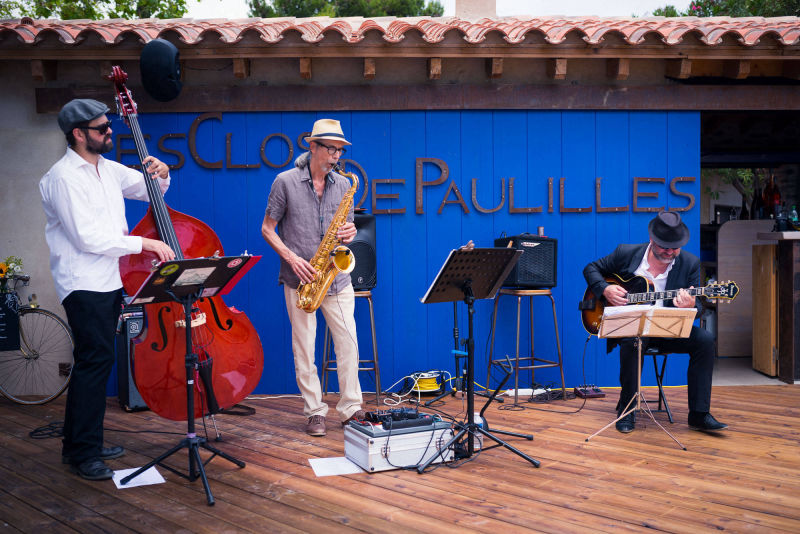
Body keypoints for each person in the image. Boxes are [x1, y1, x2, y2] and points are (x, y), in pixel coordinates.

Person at [40, 99, 175, 480]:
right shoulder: (62, 178)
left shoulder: (107, 169)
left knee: (95, 362)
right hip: (82, 283)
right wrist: (143, 244)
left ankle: (80, 442)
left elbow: (150, 191)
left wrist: (161, 174)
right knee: (94, 362)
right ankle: (84, 453)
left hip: (108, 280)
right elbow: (86, 238)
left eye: (108, 126)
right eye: (101, 129)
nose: (109, 132)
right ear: (78, 135)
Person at [261, 119, 366, 437]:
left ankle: (350, 408)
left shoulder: (345, 185)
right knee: (304, 348)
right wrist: (292, 258)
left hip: (336, 278)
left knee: (348, 343)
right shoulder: (285, 182)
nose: (336, 156)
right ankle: (315, 411)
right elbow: (267, 229)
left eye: (340, 150)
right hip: (300, 279)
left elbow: (346, 229)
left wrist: (351, 231)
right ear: (313, 146)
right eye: (331, 149)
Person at [583, 210, 727, 434]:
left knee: (705, 340)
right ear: (652, 240)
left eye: (675, 247)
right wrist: (606, 290)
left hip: (667, 329)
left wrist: (690, 306)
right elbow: (591, 269)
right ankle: (627, 409)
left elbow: (698, 307)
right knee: (632, 340)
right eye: (665, 247)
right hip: (631, 328)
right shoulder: (626, 253)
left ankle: (699, 414)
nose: (671, 252)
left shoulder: (689, 263)